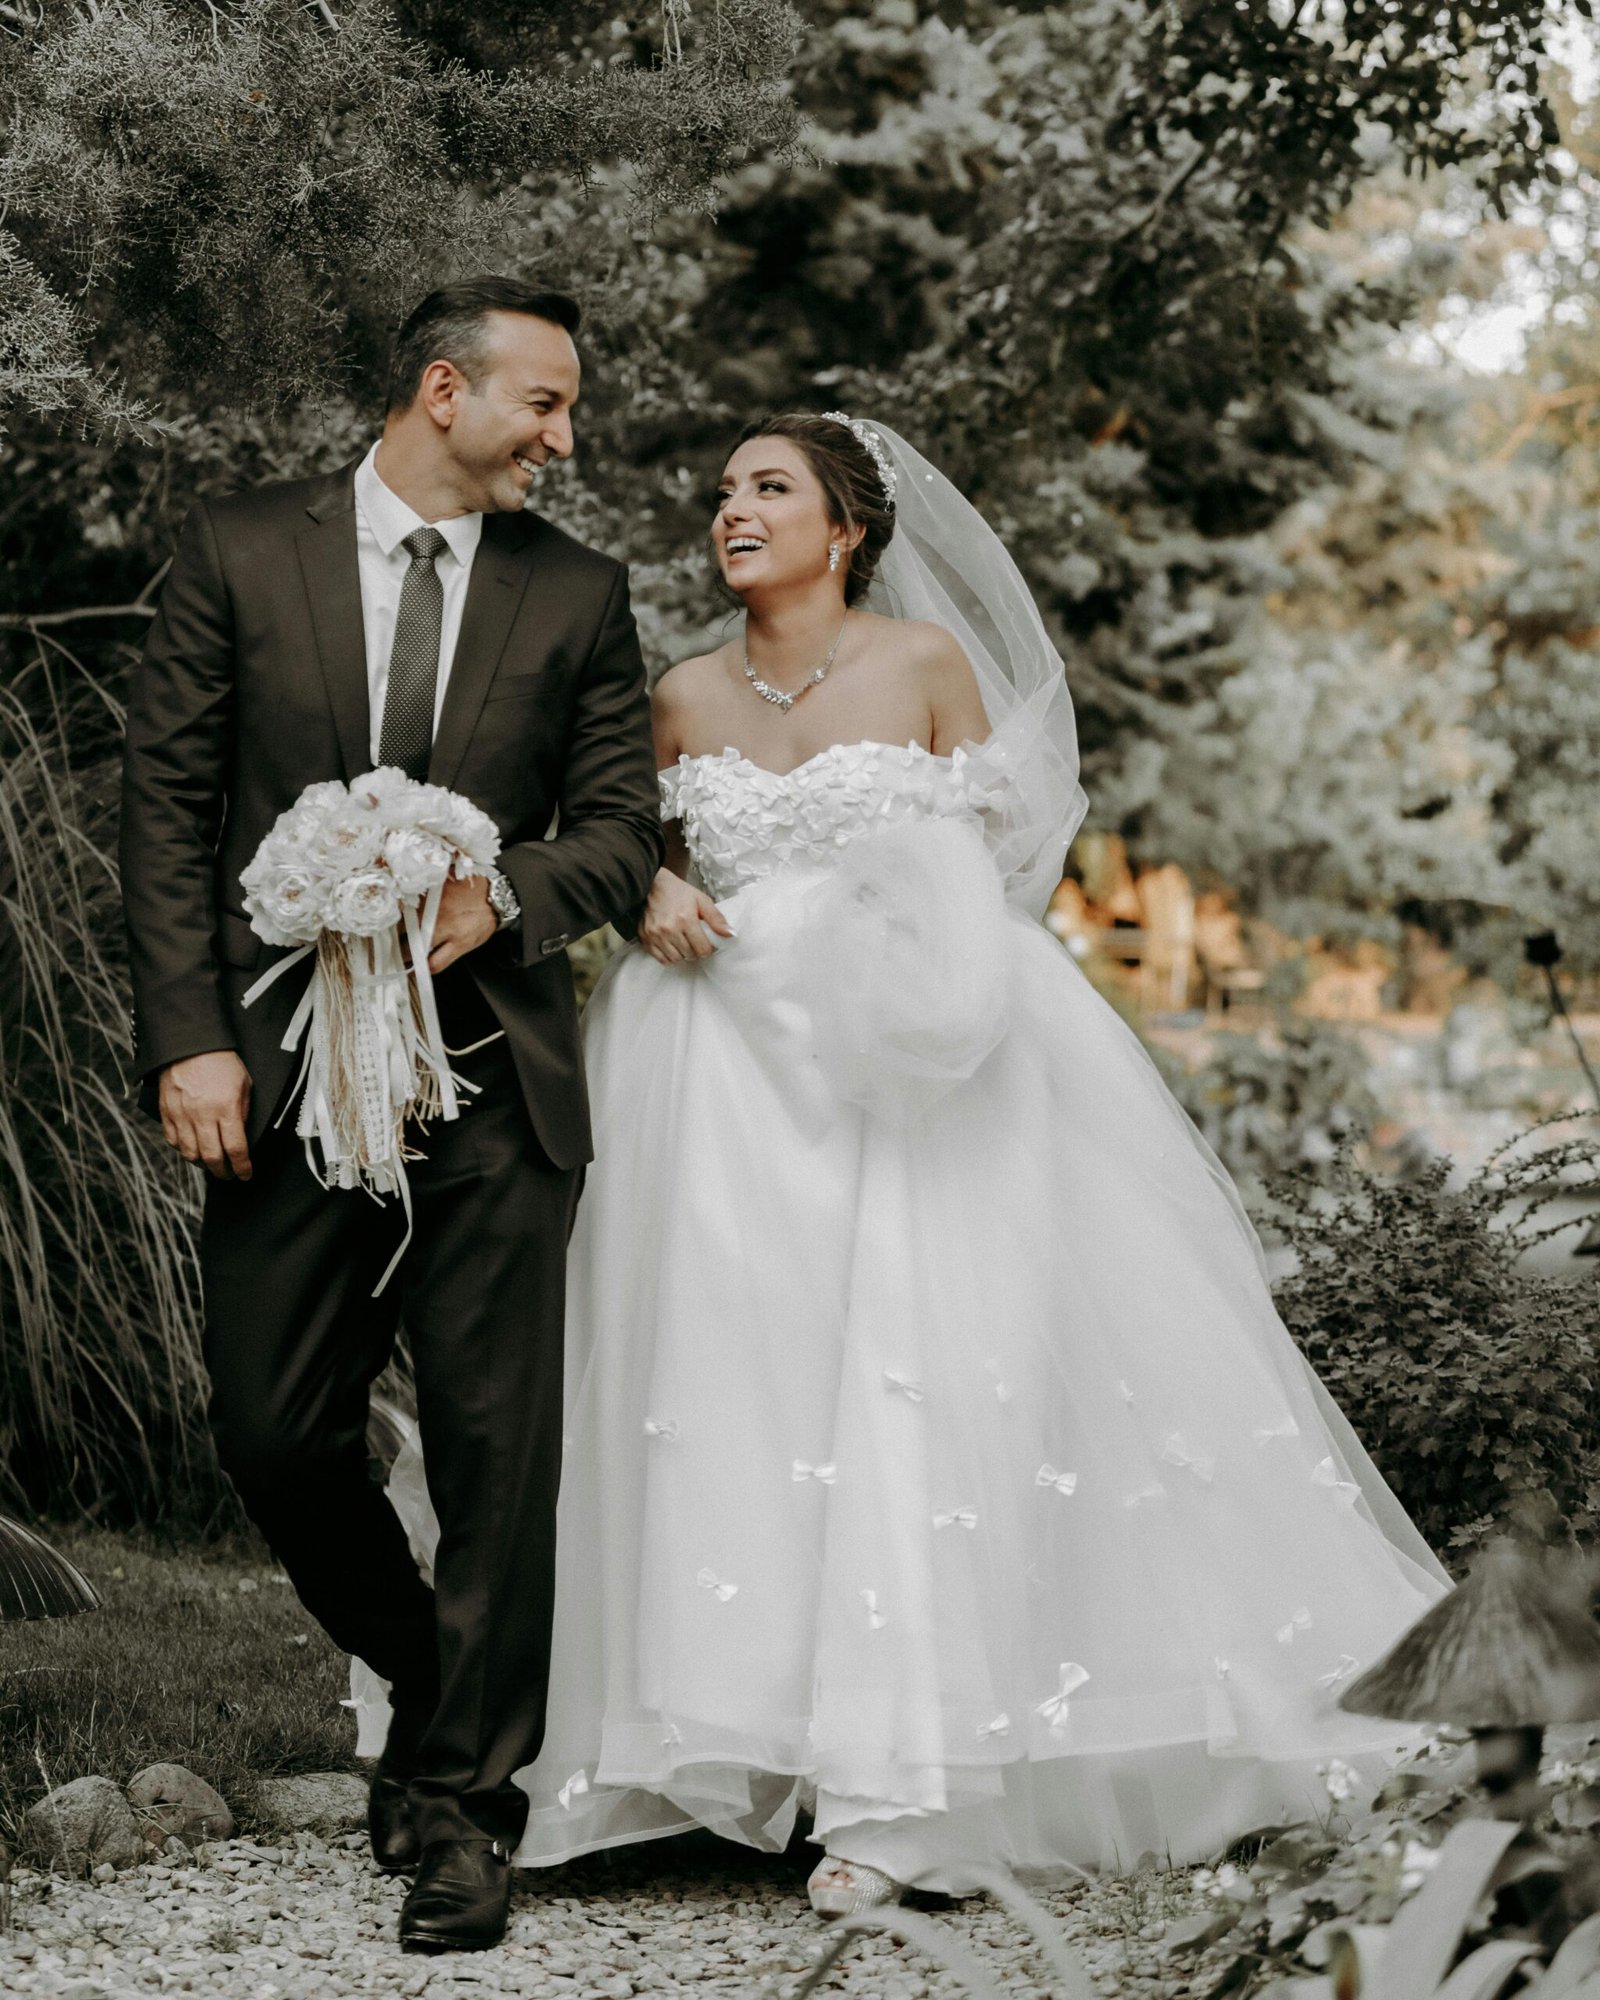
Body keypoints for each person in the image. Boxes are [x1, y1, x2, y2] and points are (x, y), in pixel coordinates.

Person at [366, 412, 1450, 1914]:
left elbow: (1009, 853)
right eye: (725, 491)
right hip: (716, 1066)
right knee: (719, 1387)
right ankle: (672, 1754)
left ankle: (903, 1788)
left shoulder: (929, 670)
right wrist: (662, 884)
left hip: (911, 1070)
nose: (732, 511)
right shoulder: (675, 690)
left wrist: (917, 945)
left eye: (769, 489)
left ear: (847, 526)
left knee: (907, 1391)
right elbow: (605, 838)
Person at [120, 278, 663, 1954]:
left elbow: (626, 826)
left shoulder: (576, 592)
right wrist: (190, 1041)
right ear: (446, 389)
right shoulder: (238, 549)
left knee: (501, 1456)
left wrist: (501, 894)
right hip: (282, 1079)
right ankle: (439, 1671)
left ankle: (460, 1808)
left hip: (495, 1076)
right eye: (545, 405)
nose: (564, 440)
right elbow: (168, 807)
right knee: (272, 1428)